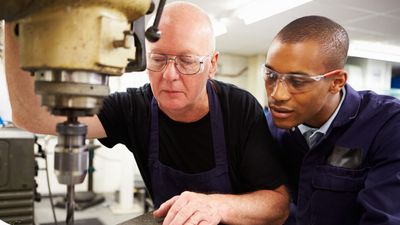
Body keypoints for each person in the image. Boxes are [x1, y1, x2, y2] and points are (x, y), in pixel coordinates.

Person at [5, 2, 289, 225]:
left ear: (212, 64)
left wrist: (216, 205)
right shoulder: (134, 107)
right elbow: (32, 118)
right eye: (159, 59)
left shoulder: (239, 109)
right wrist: (14, 16)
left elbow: (277, 207)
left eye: (187, 61)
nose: (169, 75)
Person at [264, 15, 400, 225]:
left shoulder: (388, 125)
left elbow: (383, 219)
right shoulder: (267, 127)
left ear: (336, 82)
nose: (277, 95)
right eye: (271, 76)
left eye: (298, 82)